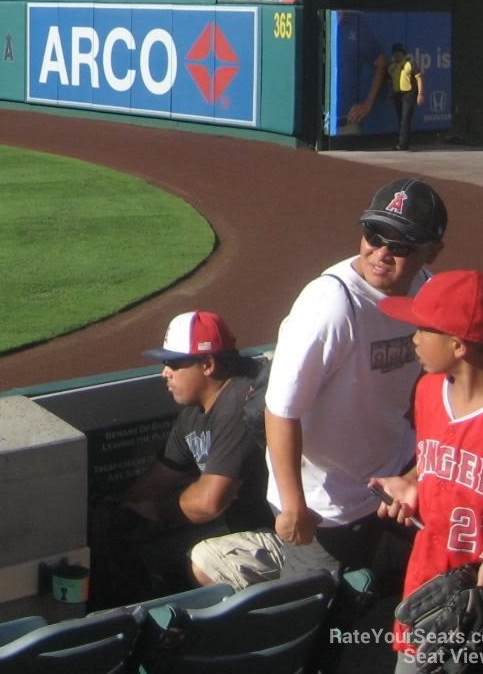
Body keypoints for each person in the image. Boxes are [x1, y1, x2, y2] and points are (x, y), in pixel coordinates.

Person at [191, 177, 448, 590]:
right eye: (373, 234)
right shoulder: (331, 305)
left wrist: (416, 472)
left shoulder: (429, 294)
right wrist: (293, 505)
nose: (381, 252)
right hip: (324, 503)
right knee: (326, 614)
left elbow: (439, 390)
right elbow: (281, 407)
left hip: (391, 482)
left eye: (400, 245)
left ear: (431, 251)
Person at [370, 269, 483, 669]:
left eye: (423, 330)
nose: (414, 338)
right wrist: (410, 486)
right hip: (427, 584)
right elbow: (433, 465)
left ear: (458, 344)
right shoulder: (428, 391)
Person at [90, 310, 270, 607]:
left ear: (208, 364)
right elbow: (156, 481)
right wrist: (128, 512)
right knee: (136, 548)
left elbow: (209, 502)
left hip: (277, 534)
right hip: (236, 528)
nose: (165, 373)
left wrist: (157, 512)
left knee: (203, 561)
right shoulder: (193, 413)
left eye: (173, 363)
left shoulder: (241, 402)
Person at [388, 43, 424, 151]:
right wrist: (391, 94)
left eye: (399, 53)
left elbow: (419, 78)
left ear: (403, 53)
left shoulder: (410, 63)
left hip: (409, 94)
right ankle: (402, 141)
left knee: (406, 117)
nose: (396, 56)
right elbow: (389, 81)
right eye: (395, 54)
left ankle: (403, 144)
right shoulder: (391, 66)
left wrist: (420, 94)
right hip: (397, 95)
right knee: (401, 118)